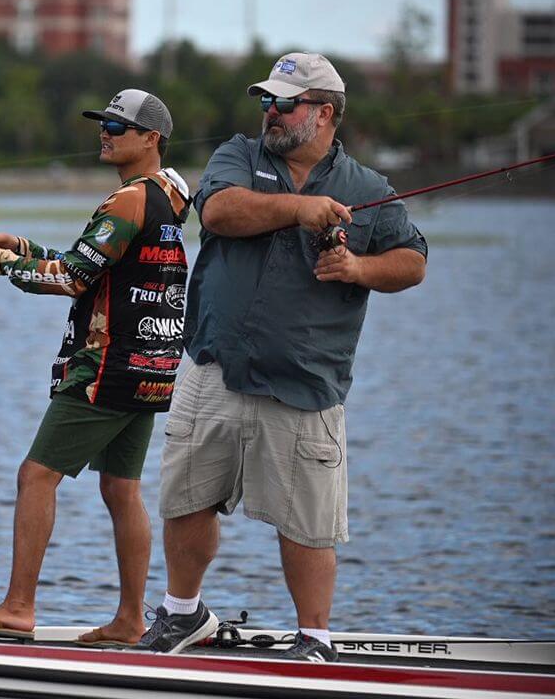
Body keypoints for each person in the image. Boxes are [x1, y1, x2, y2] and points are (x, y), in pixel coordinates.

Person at [137, 54, 427, 661]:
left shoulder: (368, 190)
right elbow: (218, 211)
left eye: (285, 103)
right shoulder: (238, 157)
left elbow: (413, 261)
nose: (270, 111)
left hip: (304, 384)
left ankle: (314, 640)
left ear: (323, 113)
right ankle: (183, 615)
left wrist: (358, 267)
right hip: (215, 367)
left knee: (309, 524)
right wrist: (300, 210)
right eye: (266, 100)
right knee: (187, 498)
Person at [0, 89, 191, 646]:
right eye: (103, 124)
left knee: (36, 476)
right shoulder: (168, 197)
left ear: (151, 138)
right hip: (151, 366)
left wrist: (3, 264)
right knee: (120, 488)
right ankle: (133, 620)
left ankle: (18, 608)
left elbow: (75, 280)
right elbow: (98, 264)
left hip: (105, 366)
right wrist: (26, 245)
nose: (105, 133)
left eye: (117, 126)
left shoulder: (127, 200)